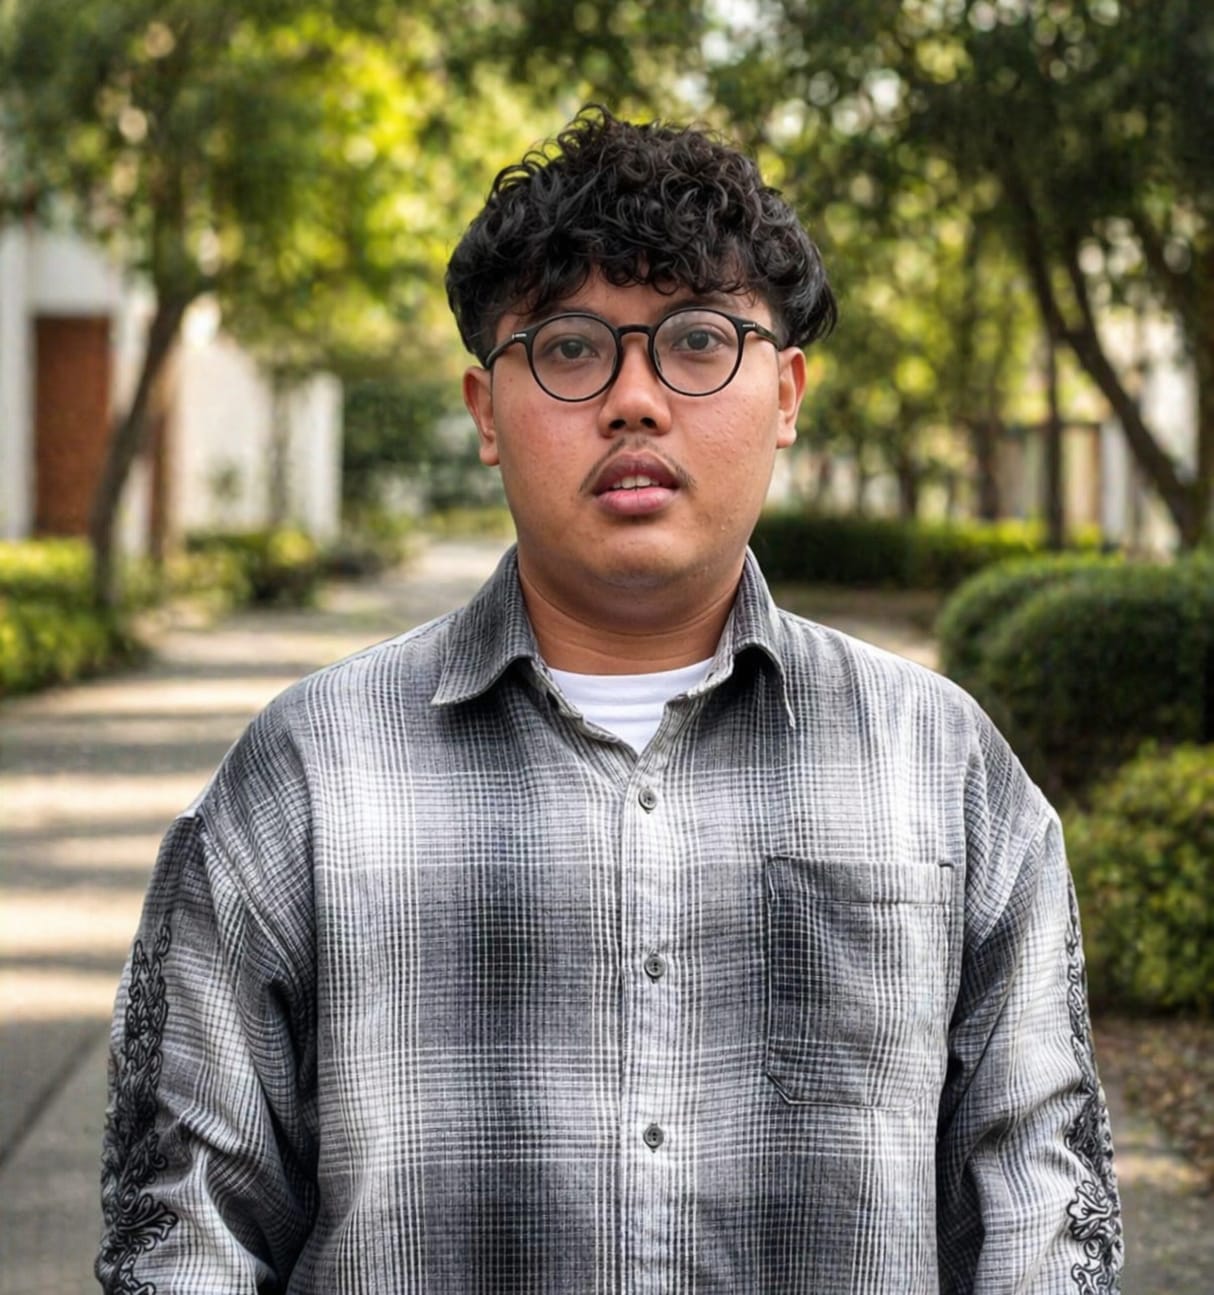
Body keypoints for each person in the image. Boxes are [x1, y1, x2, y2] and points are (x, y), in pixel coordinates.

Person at [97, 106, 1122, 1293]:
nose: (635, 399)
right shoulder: (310, 776)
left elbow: (1044, 1210)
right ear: (485, 410)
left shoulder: (938, 768)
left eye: (697, 340)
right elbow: (181, 1228)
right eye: (572, 348)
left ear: (786, 393)